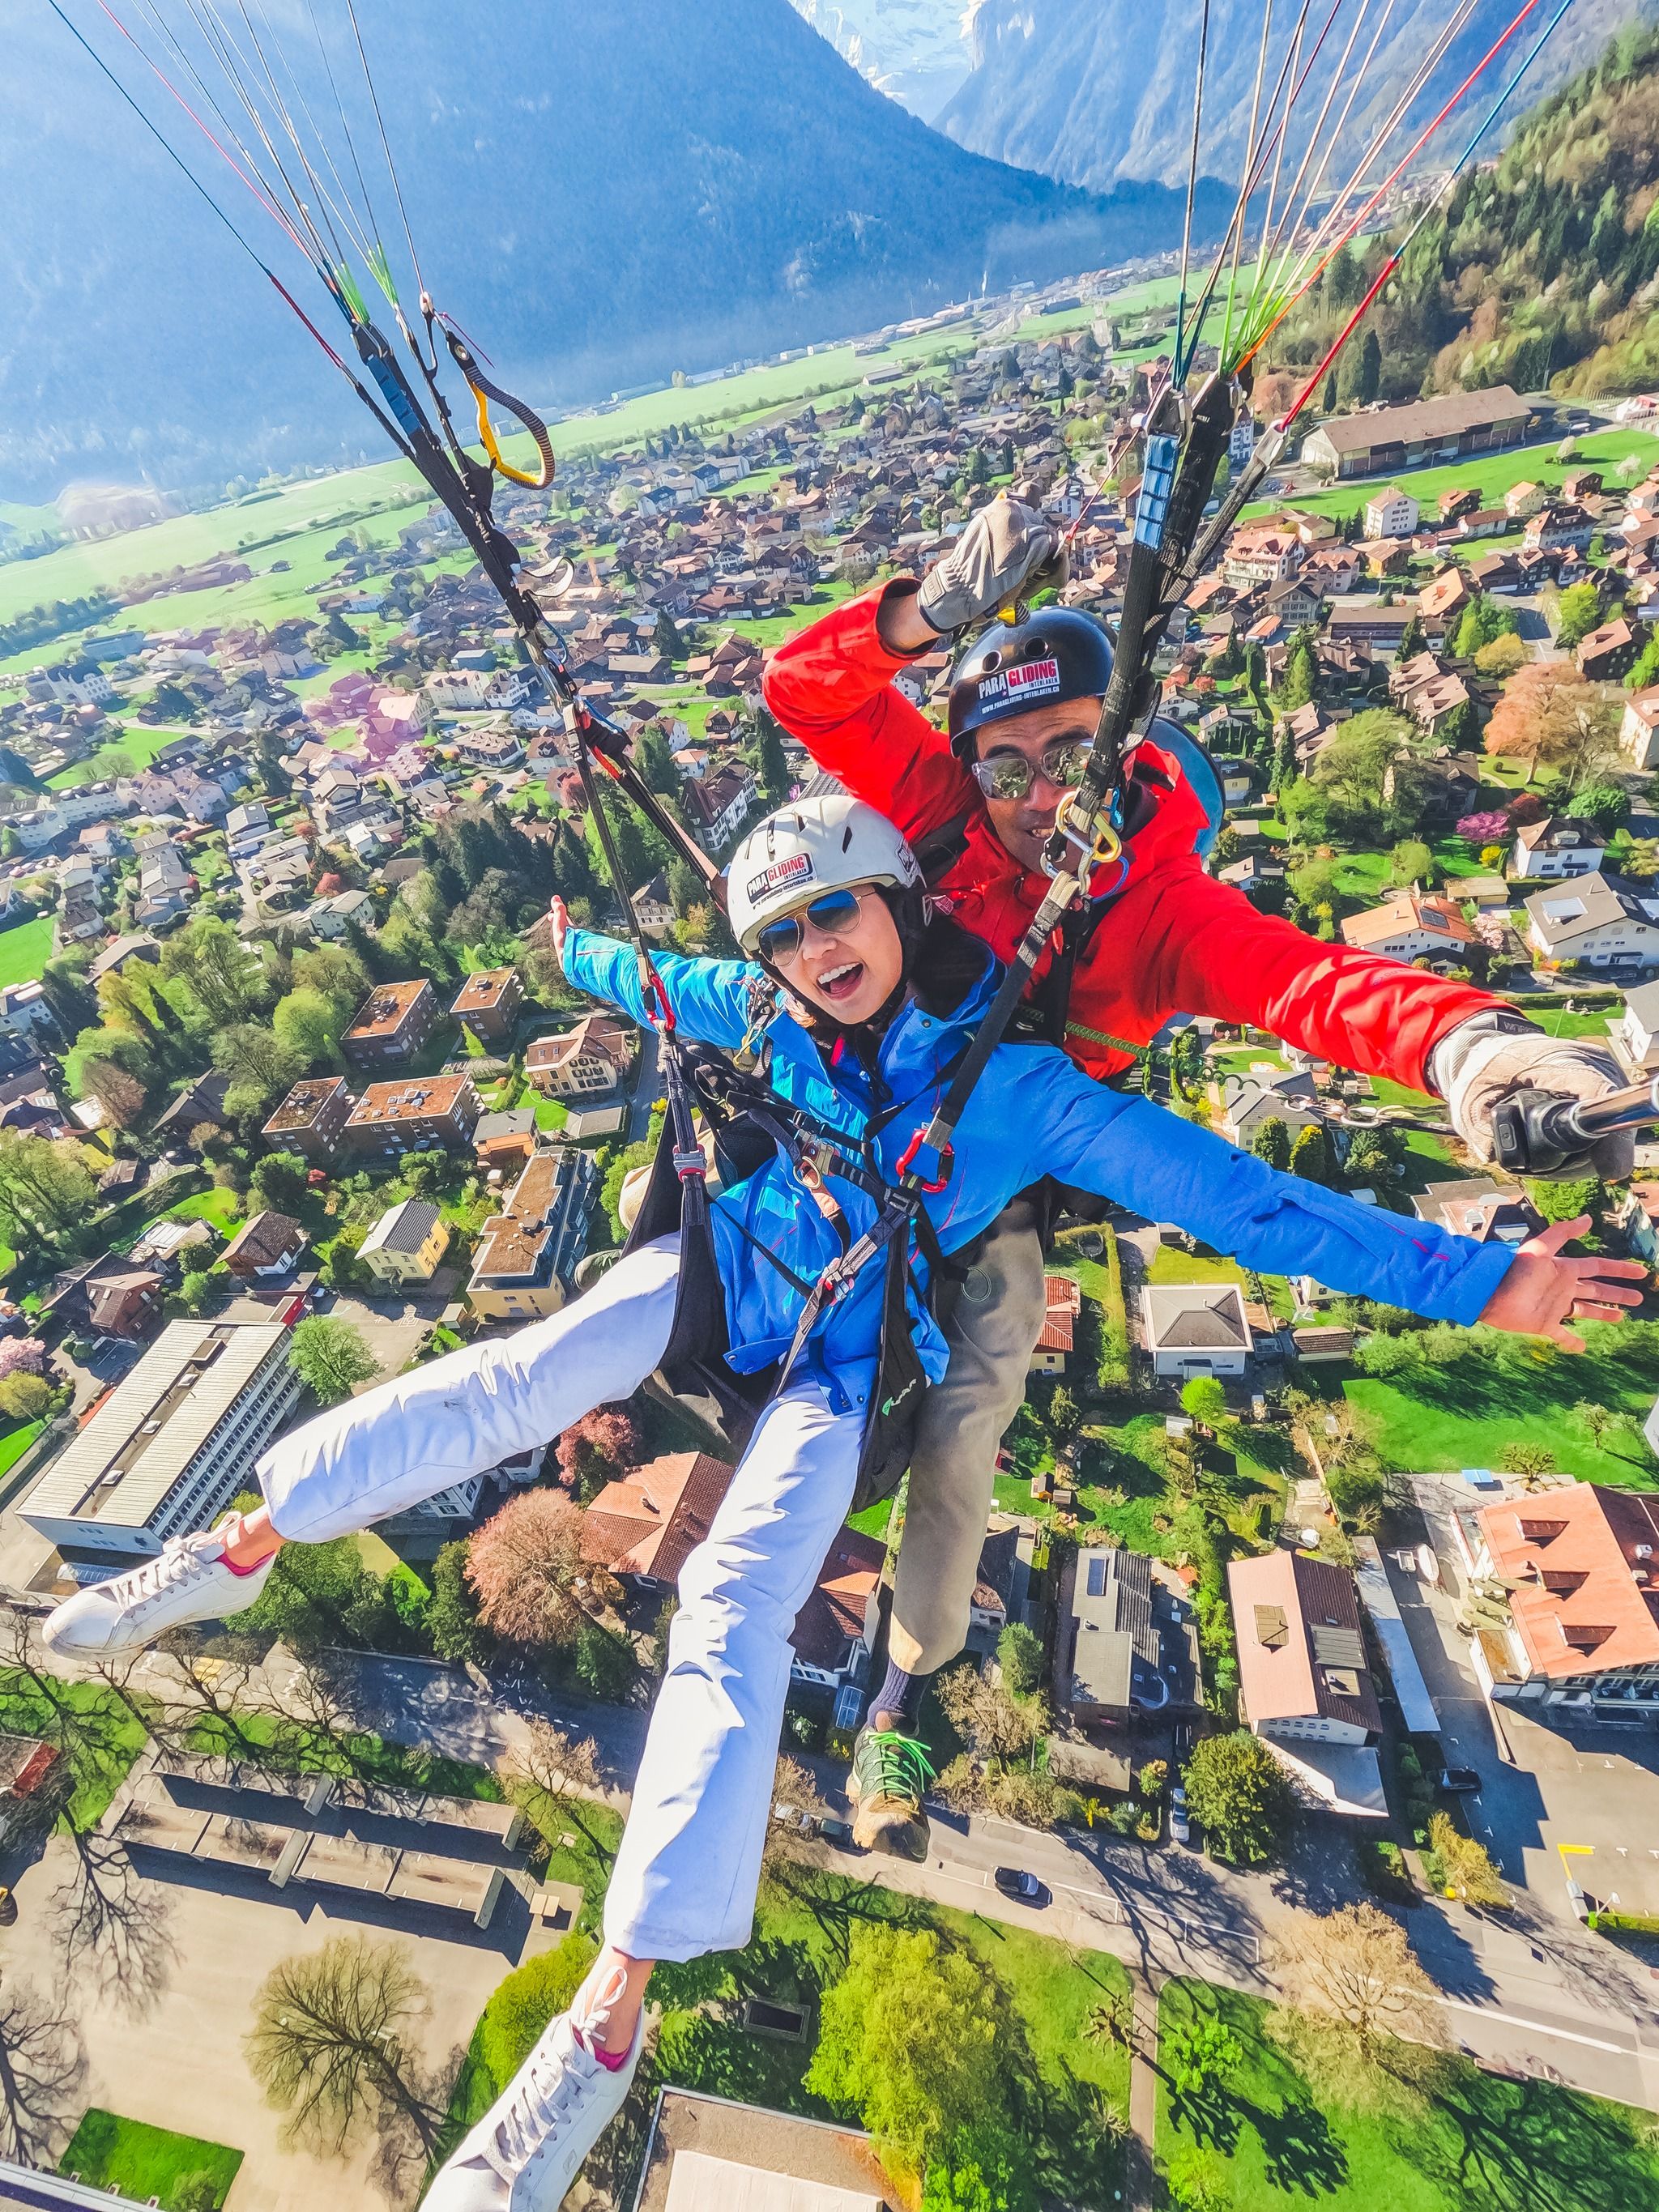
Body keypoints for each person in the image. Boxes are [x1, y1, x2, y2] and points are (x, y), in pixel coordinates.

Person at [40, 798, 1640, 2212]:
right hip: (709, 1284)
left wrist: (1485, 1282)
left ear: (897, 906)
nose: (815, 945)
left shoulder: (1007, 1087)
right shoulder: (756, 1008)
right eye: (784, 927)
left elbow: (1245, 1203)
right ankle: (237, 1548)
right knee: (510, 1376)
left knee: (732, 1604)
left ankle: (607, 2014)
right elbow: (640, 979)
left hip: (840, 1370)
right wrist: (568, 942)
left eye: (836, 907)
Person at [762, 497, 1634, 1848]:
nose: (1042, 797)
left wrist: (1474, 1049)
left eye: (1071, 755)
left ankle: (900, 1691)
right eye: (1008, 769)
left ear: (1123, 744)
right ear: (967, 771)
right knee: (740, 1323)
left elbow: (1313, 988)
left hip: (994, 1179)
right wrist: (921, 615)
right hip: (854, 1138)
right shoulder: (947, 820)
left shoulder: (1162, 914)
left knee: (966, 1424)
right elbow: (802, 692)